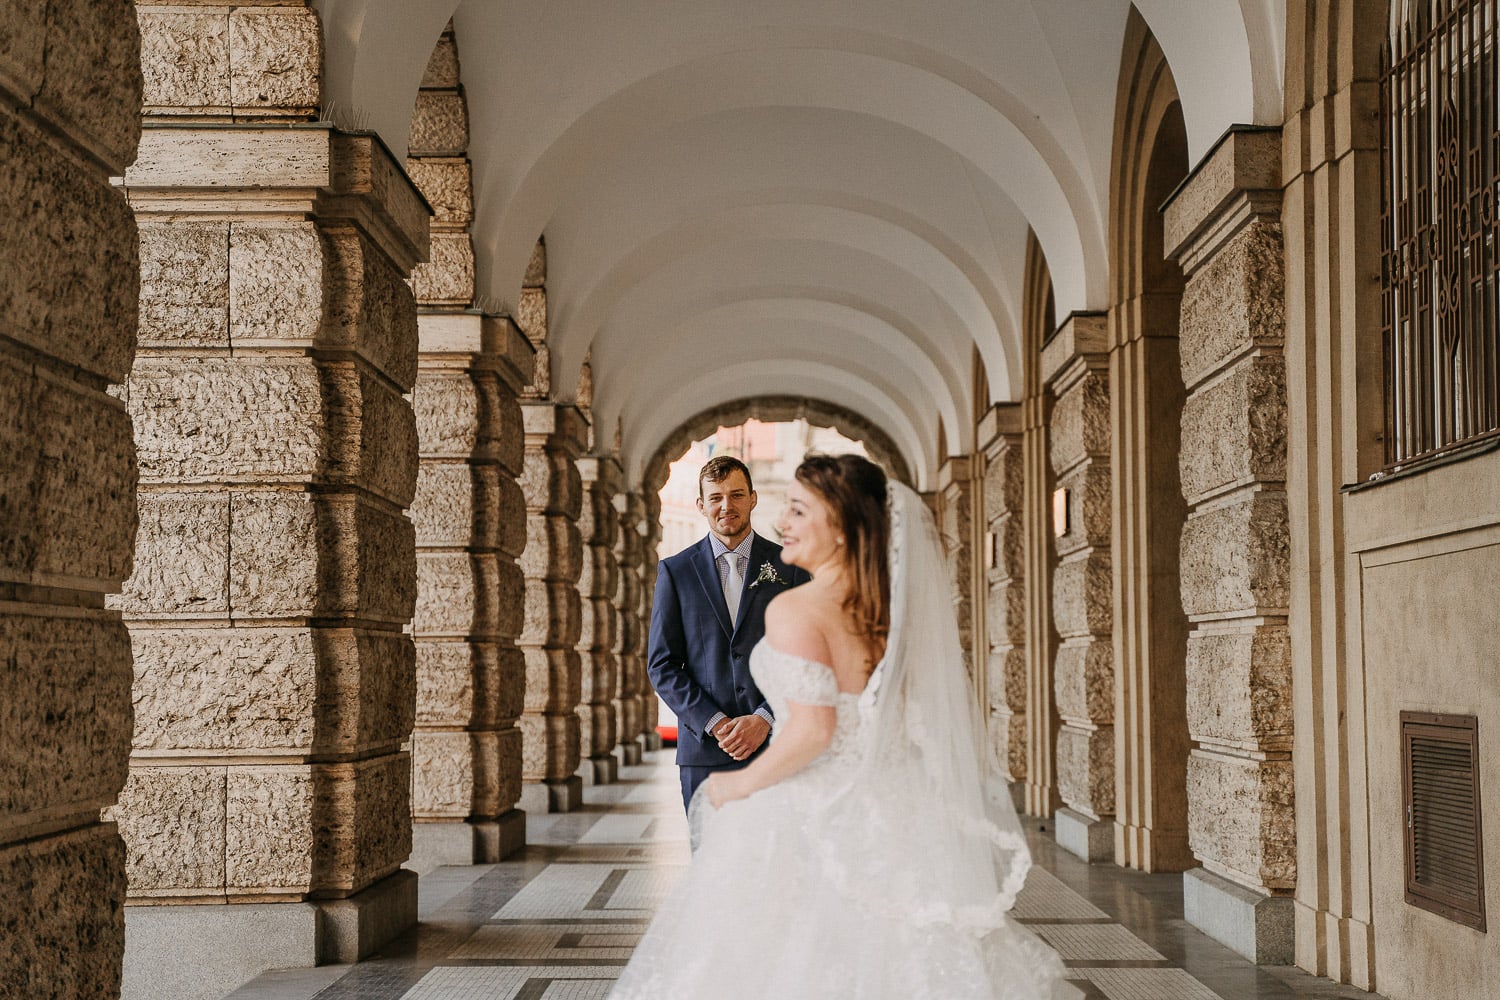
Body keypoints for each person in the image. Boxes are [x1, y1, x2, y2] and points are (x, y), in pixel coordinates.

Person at [613, 454, 1080, 1000]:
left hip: (805, 797)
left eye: (798, 510)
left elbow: (814, 731)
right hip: (888, 805)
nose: (784, 522)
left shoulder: (794, 598)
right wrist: (717, 726)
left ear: (837, 526)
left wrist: (739, 781)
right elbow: (665, 663)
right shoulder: (886, 611)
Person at [647, 455, 808, 813]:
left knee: (772, 864)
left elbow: (805, 660)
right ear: (701, 506)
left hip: (777, 748)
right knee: (709, 865)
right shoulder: (676, 572)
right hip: (704, 752)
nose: (726, 506)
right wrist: (716, 724)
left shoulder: (792, 568)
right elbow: (662, 665)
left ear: (753, 498)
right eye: (716, 498)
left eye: (736, 495)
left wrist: (765, 718)